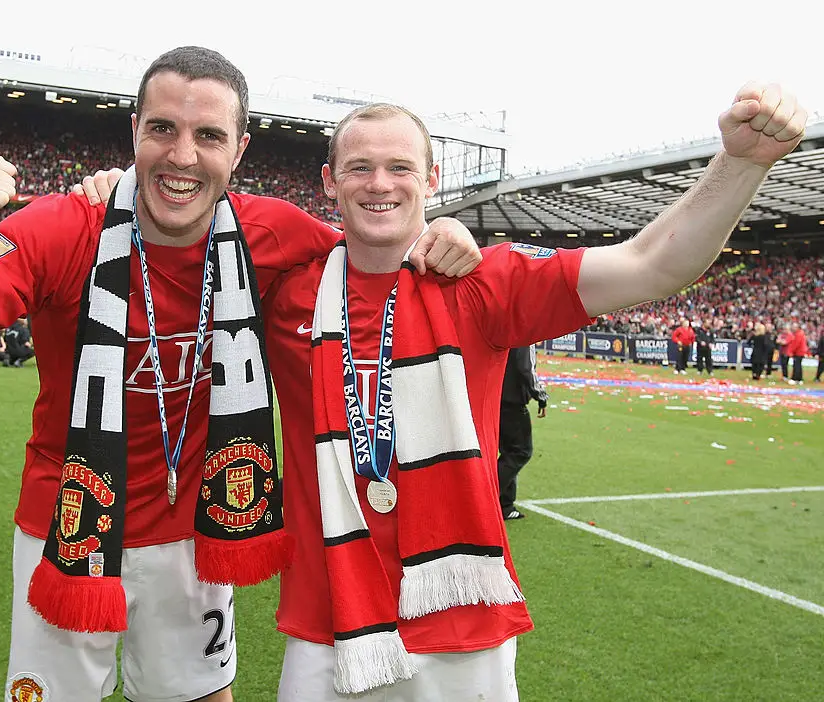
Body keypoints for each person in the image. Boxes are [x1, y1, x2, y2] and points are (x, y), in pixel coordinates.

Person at [0, 46, 482, 702]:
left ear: (238, 150)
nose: (183, 155)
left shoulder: (275, 233)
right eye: (162, 129)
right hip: (67, 528)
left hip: (196, 535)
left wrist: (436, 234)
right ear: (134, 134)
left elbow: (375, 250)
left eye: (207, 135)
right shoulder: (60, 229)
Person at [247, 81, 802, 701]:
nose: (380, 183)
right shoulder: (285, 293)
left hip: (461, 622)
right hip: (325, 621)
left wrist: (742, 163)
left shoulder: (485, 280)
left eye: (400, 167)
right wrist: (114, 192)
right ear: (328, 181)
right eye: (360, 168)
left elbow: (652, 264)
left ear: (431, 179)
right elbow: (182, 235)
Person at [497, 344, 548, 520]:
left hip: (495, 395)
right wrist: (540, 395)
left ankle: (506, 505)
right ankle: (487, 496)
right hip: (512, 399)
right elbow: (525, 365)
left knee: (509, 452)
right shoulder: (524, 331)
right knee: (520, 452)